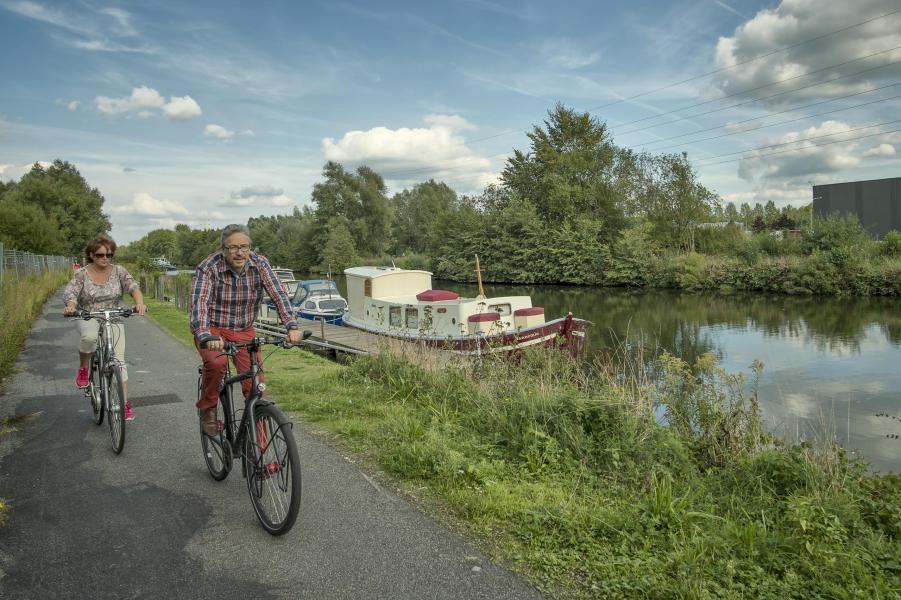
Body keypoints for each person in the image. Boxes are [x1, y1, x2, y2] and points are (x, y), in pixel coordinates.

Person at [190, 224, 302, 436]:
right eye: (232, 248)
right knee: (217, 362)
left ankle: (259, 457)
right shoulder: (208, 267)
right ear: (223, 249)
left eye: (244, 246)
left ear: (250, 247)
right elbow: (199, 303)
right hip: (213, 328)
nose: (239, 252)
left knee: (256, 389)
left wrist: (291, 325)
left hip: (244, 328)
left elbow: (279, 294)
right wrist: (205, 334)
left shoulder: (260, 264)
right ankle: (208, 407)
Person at [62, 234, 147, 421]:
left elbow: (133, 287)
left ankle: (124, 404)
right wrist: (71, 306)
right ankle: (84, 367)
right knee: (89, 338)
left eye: (109, 255)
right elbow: (71, 293)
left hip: (113, 316)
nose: (105, 258)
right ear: (91, 255)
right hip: (88, 315)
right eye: (100, 255)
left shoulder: (119, 271)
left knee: (119, 361)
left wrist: (139, 303)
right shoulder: (81, 274)